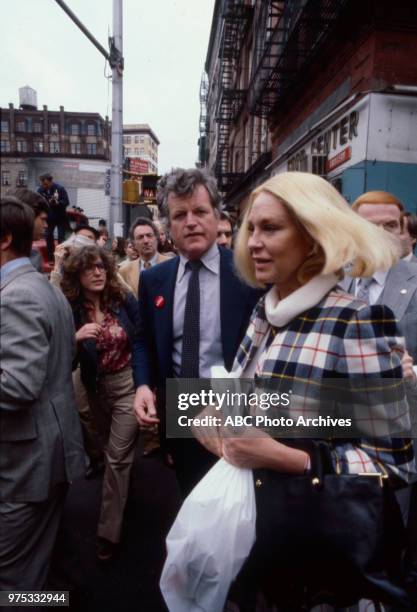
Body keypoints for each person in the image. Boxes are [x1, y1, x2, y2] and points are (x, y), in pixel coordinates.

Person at [194, 172, 414, 609]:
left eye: (271, 228)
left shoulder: (359, 322)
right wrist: (210, 420)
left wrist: (287, 457)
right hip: (261, 545)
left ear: (314, 237)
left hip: (322, 571)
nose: (253, 241)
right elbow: (245, 409)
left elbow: (396, 463)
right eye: (251, 228)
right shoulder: (266, 312)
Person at [134, 167, 262, 495]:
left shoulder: (248, 275)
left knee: (237, 501)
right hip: (177, 407)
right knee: (191, 495)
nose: (191, 221)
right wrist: (144, 385)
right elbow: (143, 340)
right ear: (166, 225)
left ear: (217, 216)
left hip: (233, 408)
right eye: (180, 214)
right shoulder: (153, 280)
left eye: (200, 211)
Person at [0, 196, 84, 591]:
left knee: (14, 580)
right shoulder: (42, 288)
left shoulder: (15, 296)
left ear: (4, 239)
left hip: (25, 467)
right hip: (47, 457)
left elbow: (17, 385)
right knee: (41, 564)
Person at [61, 245, 141, 562]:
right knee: (109, 452)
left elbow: (143, 337)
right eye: (88, 268)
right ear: (76, 275)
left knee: (118, 458)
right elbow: (60, 361)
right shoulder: (71, 310)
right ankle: (120, 492)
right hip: (95, 390)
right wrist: (75, 337)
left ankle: (108, 533)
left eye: (101, 267)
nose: (97, 272)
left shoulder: (122, 301)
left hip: (127, 387)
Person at [349, 191, 417, 363]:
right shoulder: (331, 279)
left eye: (390, 225)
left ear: (401, 230)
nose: (381, 234)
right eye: (369, 225)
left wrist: (412, 377)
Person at [119, 217, 170, 298]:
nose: (146, 241)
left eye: (149, 235)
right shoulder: (124, 271)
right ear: (134, 243)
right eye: (140, 237)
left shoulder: (171, 265)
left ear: (156, 238)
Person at [9, 187, 50, 272]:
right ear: (27, 216)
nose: (46, 225)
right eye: (43, 219)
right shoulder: (33, 256)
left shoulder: (33, 253)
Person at [37, 172, 70, 263]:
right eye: (43, 184)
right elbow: (37, 202)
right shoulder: (40, 190)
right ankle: (51, 258)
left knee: (61, 238)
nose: (44, 186)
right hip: (49, 218)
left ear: (51, 181)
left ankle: (62, 259)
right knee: (48, 236)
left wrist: (58, 203)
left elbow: (66, 202)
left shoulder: (60, 189)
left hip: (61, 217)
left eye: (46, 184)